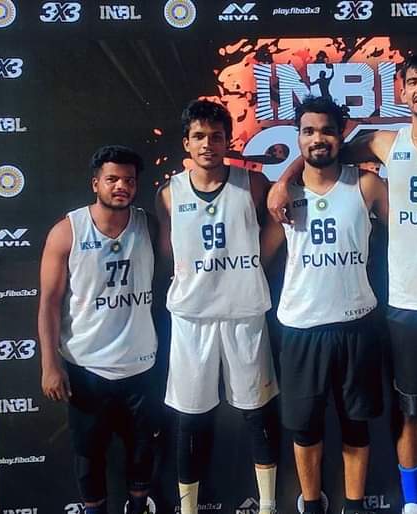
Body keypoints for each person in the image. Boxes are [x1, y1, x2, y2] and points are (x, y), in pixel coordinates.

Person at [268, 53, 417, 514]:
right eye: (414, 81)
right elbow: (322, 151)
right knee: (410, 412)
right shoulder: (384, 143)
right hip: (408, 304)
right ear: (401, 90)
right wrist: (283, 180)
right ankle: (412, 504)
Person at [260, 96, 388, 514]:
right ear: (298, 137)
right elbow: (260, 257)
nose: (318, 139)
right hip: (301, 327)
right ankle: (311, 505)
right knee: (305, 429)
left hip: (356, 323)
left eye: (327, 131)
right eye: (309, 131)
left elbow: (410, 236)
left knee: (356, 425)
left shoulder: (366, 185)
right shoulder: (284, 196)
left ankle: (354, 506)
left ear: (340, 135)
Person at [155, 100, 281, 514]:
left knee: (257, 411)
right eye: (199, 136)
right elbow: (167, 252)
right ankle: (189, 509)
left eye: (216, 136)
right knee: (191, 417)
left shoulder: (254, 184)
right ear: (186, 143)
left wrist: (254, 263)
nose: (207, 144)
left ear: (228, 141)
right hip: (192, 317)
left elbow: (277, 227)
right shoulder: (169, 193)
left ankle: (268, 505)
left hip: (245, 311)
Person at [37, 145, 159, 514]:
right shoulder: (67, 232)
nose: (121, 186)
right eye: (112, 179)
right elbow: (49, 302)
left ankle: (138, 508)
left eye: (129, 180)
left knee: (143, 450)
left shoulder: (149, 225)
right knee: (89, 454)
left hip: (141, 364)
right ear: (96, 183)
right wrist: (49, 365)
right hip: (87, 366)